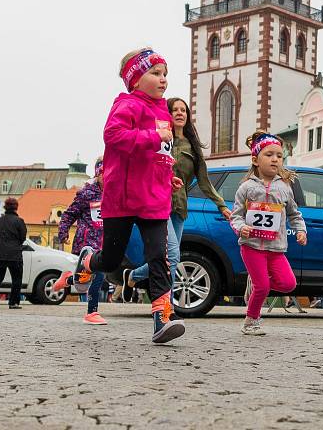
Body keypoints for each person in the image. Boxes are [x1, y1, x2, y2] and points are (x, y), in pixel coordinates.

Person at [72, 47, 186, 344]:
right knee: (110, 260)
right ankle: (87, 262)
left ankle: (163, 318)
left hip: (154, 199)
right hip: (122, 198)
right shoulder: (128, 104)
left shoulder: (163, 110)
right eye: (155, 73)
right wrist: (153, 137)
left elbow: (160, 153)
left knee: (159, 257)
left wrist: (166, 172)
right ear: (135, 79)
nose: (163, 80)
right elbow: (113, 136)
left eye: (165, 75)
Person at [126, 97, 231, 299]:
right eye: (175, 110)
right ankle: (167, 305)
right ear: (168, 114)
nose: (180, 113)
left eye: (183, 110)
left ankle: (134, 275)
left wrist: (221, 206)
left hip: (180, 207)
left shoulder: (192, 147)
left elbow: (204, 182)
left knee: (167, 257)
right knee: (173, 256)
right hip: (158, 203)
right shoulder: (159, 138)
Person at [230, 132, 307, 336]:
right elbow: (235, 215)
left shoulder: (285, 187)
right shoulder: (246, 188)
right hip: (251, 246)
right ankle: (250, 321)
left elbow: (294, 213)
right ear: (255, 160)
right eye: (269, 154)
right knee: (263, 286)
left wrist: (301, 230)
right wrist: (240, 227)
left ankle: (255, 285)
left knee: (288, 284)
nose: (275, 159)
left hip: (276, 247)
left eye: (279, 156)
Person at [53, 157, 108, 325]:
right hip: (87, 242)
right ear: (98, 174)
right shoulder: (86, 193)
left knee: (87, 278)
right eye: (105, 174)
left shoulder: (114, 193)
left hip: (103, 241)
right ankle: (92, 312)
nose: (109, 178)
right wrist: (63, 232)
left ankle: (68, 279)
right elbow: (69, 214)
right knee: (97, 275)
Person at [0, 197, 27, 309]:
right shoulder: (19, 221)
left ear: (5, 207)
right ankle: (13, 302)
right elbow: (22, 238)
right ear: (16, 207)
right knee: (16, 279)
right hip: (14, 254)